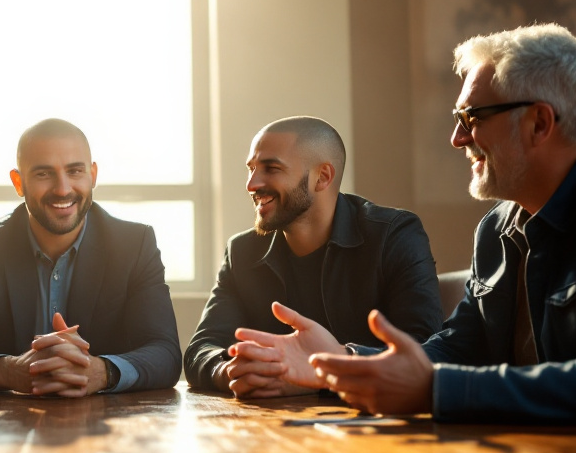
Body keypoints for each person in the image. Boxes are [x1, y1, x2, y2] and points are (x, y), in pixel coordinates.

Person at [245, 23, 576, 440]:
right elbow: (461, 348)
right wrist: (341, 363)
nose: (458, 138)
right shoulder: (498, 227)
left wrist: (433, 390)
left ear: (539, 122)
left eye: (472, 118)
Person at [184, 116, 442, 398]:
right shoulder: (242, 252)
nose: (251, 184)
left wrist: (321, 375)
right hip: (273, 430)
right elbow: (201, 348)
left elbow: (425, 350)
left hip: (377, 427)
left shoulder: (394, 235)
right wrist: (231, 372)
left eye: (271, 168)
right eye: (251, 169)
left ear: (323, 177)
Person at [0, 118, 181, 396]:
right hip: (8, 428)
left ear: (92, 175)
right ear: (18, 182)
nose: (62, 188)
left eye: (75, 171)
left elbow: (165, 354)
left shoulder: (135, 244)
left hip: (111, 426)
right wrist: (12, 371)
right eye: (44, 174)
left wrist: (101, 371)